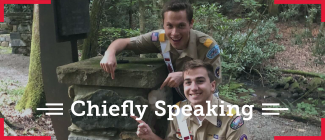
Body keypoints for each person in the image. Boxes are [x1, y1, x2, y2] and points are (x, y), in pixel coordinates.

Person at [100, 0, 221, 103]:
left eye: (181, 26)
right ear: (163, 24)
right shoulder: (159, 38)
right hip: (174, 98)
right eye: (169, 26)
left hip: (203, 99)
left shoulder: (207, 46)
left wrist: (185, 75)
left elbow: (212, 83)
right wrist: (110, 53)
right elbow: (125, 42)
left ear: (191, 24)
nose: (174, 33)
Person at [131, 60, 249, 140]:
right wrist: (151, 136)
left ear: (212, 86)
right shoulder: (178, 111)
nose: (193, 88)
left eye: (200, 81)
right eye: (188, 82)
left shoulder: (231, 118)